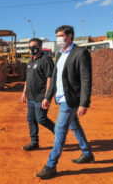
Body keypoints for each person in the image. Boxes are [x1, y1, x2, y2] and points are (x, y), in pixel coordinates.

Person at [36, 25, 94, 179]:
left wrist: (84, 103)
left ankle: (50, 165)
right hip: (61, 99)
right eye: (57, 36)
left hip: (72, 100)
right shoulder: (60, 55)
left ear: (70, 36)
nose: (58, 39)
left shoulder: (81, 53)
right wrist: (48, 97)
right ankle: (87, 153)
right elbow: (54, 78)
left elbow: (86, 79)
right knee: (75, 127)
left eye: (61, 35)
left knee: (60, 132)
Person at [21, 38, 55, 151]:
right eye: (30, 47)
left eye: (34, 47)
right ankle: (34, 142)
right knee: (31, 119)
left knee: (41, 119)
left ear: (40, 47)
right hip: (31, 97)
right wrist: (24, 93)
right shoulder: (30, 61)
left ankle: (59, 133)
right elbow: (27, 78)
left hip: (41, 97)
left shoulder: (46, 59)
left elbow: (50, 78)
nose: (32, 49)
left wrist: (47, 97)